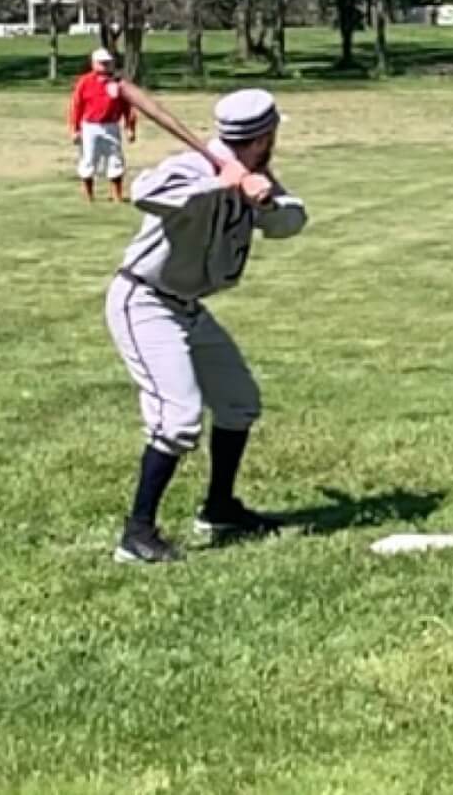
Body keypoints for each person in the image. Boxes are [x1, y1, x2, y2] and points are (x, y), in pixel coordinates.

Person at [105, 89, 308, 564]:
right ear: (263, 137)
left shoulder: (256, 176)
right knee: (177, 418)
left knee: (239, 402)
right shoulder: (193, 167)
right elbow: (144, 193)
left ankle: (219, 509)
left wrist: (267, 197)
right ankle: (136, 535)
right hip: (145, 300)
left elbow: (291, 223)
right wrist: (220, 183)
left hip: (189, 306)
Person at [67, 46, 136, 202]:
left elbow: (127, 107)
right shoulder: (85, 82)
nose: (105, 66)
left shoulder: (117, 82)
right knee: (88, 159)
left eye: (107, 63)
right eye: (102, 63)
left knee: (115, 158)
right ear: (94, 64)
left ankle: (117, 195)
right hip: (90, 126)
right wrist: (75, 129)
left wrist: (130, 128)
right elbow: (76, 106)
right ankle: (89, 195)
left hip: (111, 125)